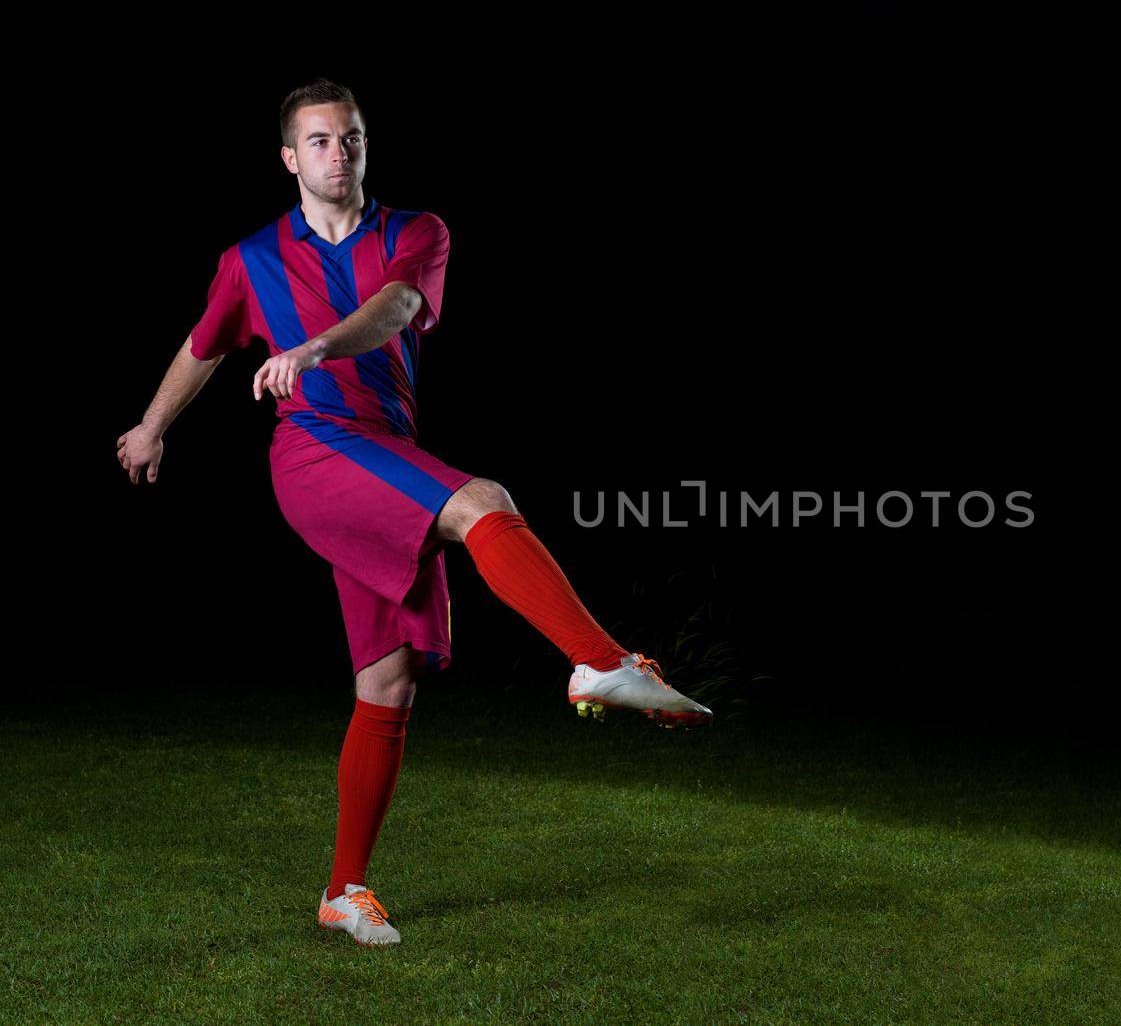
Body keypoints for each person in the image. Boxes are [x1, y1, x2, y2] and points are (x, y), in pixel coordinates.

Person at [116, 78, 711, 948]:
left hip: (385, 448)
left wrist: (315, 344)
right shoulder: (251, 258)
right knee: (484, 502)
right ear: (290, 158)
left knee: (386, 683)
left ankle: (343, 891)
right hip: (316, 452)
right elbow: (203, 344)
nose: (338, 153)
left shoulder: (415, 232)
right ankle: (597, 660)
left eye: (351, 137)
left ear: (365, 145)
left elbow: (397, 308)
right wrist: (150, 426)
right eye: (319, 141)